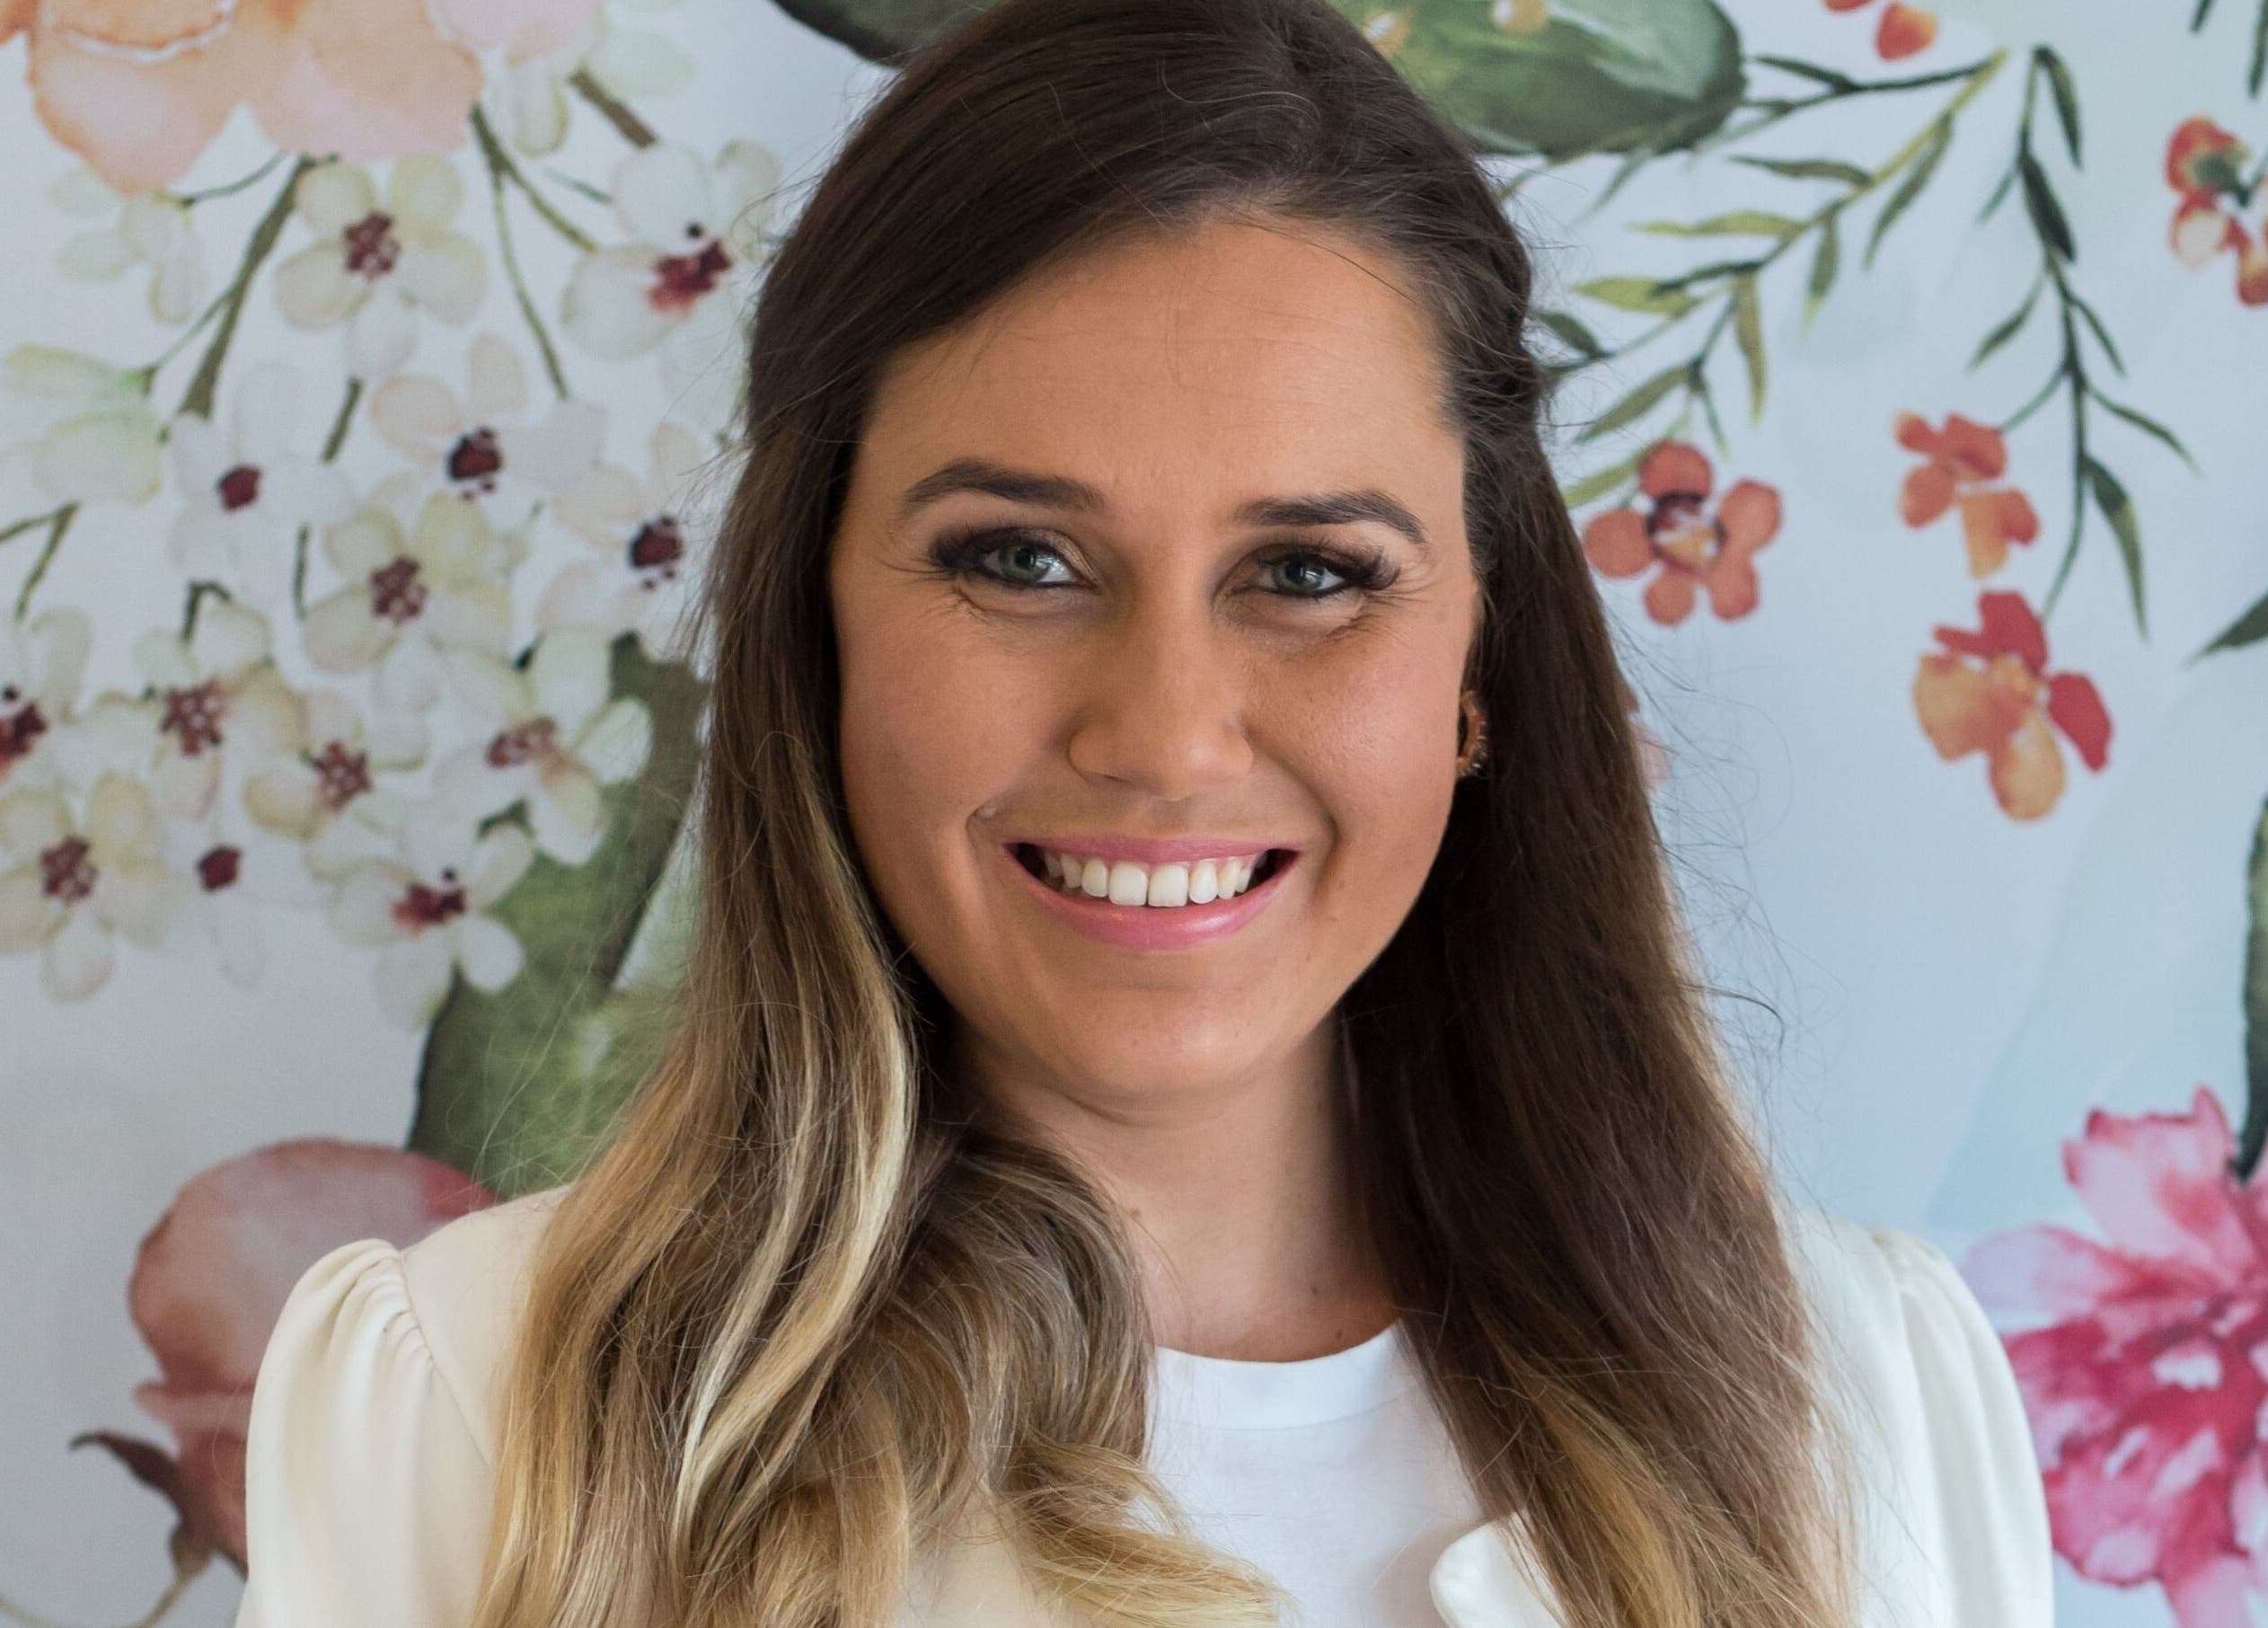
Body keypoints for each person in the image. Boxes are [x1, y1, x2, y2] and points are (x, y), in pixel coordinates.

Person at [231, 0, 2058, 1624]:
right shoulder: (469, 1409)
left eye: (1314, 573)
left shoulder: (1868, 1399)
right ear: (818, 628)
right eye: (1020, 559)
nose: (1167, 736)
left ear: (1481, 672)